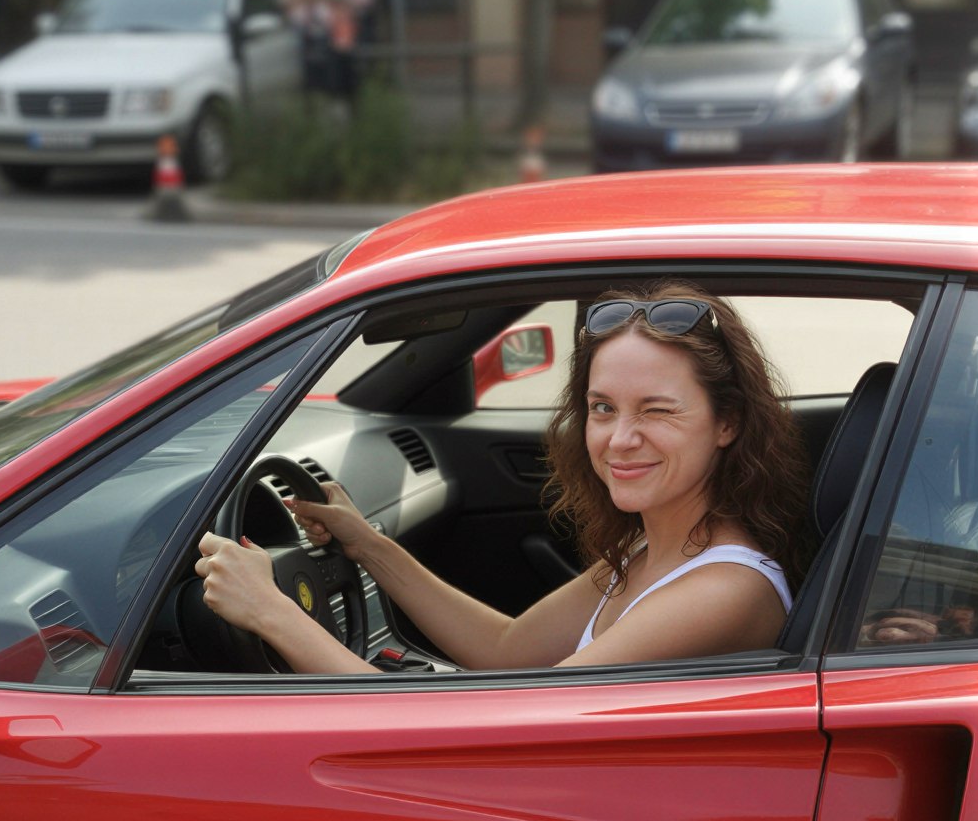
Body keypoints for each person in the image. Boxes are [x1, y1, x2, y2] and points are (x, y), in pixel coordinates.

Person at [196, 283, 812, 675]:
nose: (619, 439)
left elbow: (489, 730)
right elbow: (506, 651)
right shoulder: (654, 547)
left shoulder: (721, 591)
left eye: (657, 410)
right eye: (602, 408)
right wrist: (368, 546)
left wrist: (272, 612)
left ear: (726, 422)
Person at [282, 0, 375, 101]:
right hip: (319, 64)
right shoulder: (315, 6)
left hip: (347, 63)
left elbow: (363, 1)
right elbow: (285, 2)